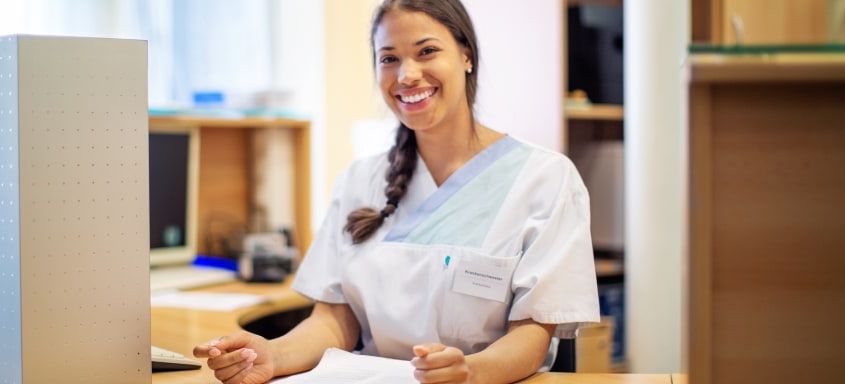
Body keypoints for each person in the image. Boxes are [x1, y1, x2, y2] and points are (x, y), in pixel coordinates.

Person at [193, 0, 600, 382]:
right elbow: (335, 319)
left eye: (426, 51)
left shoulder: (544, 178)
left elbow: (532, 338)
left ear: (466, 55)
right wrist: (273, 356)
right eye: (389, 58)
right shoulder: (359, 180)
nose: (406, 75)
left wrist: (468, 373)